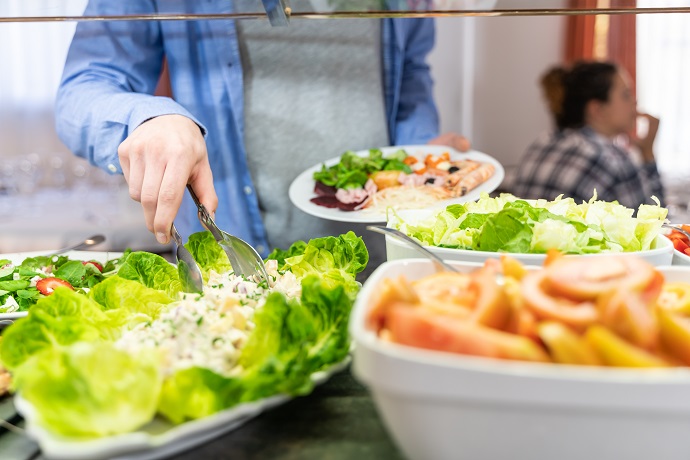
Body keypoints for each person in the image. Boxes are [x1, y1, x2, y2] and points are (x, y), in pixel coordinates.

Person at [55, 1, 470, 274]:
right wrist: (150, 117)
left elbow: (410, 74)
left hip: (382, 256)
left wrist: (416, 151)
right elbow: (82, 90)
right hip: (240, 267)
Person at [511, 61, 665, 210]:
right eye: (626, 95)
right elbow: (657, 224)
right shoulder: (615, 161)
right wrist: (647, 154)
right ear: (597, 109)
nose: (634, 102)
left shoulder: (541, 144)